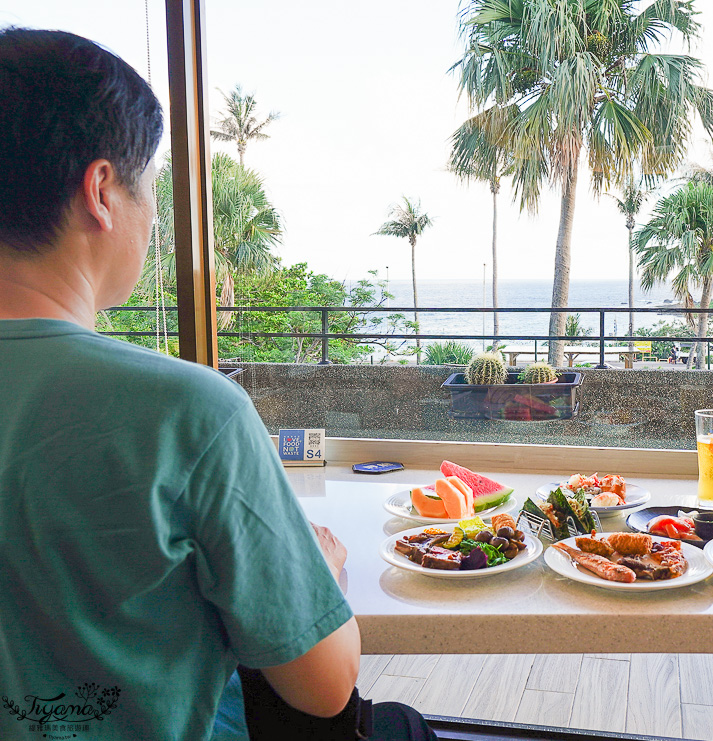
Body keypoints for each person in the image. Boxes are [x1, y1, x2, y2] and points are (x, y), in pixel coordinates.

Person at [0, 27, 434, 741]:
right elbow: (326, 685)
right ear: (103, 191)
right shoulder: (186, 411)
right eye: (151, 186)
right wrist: (318, 572)